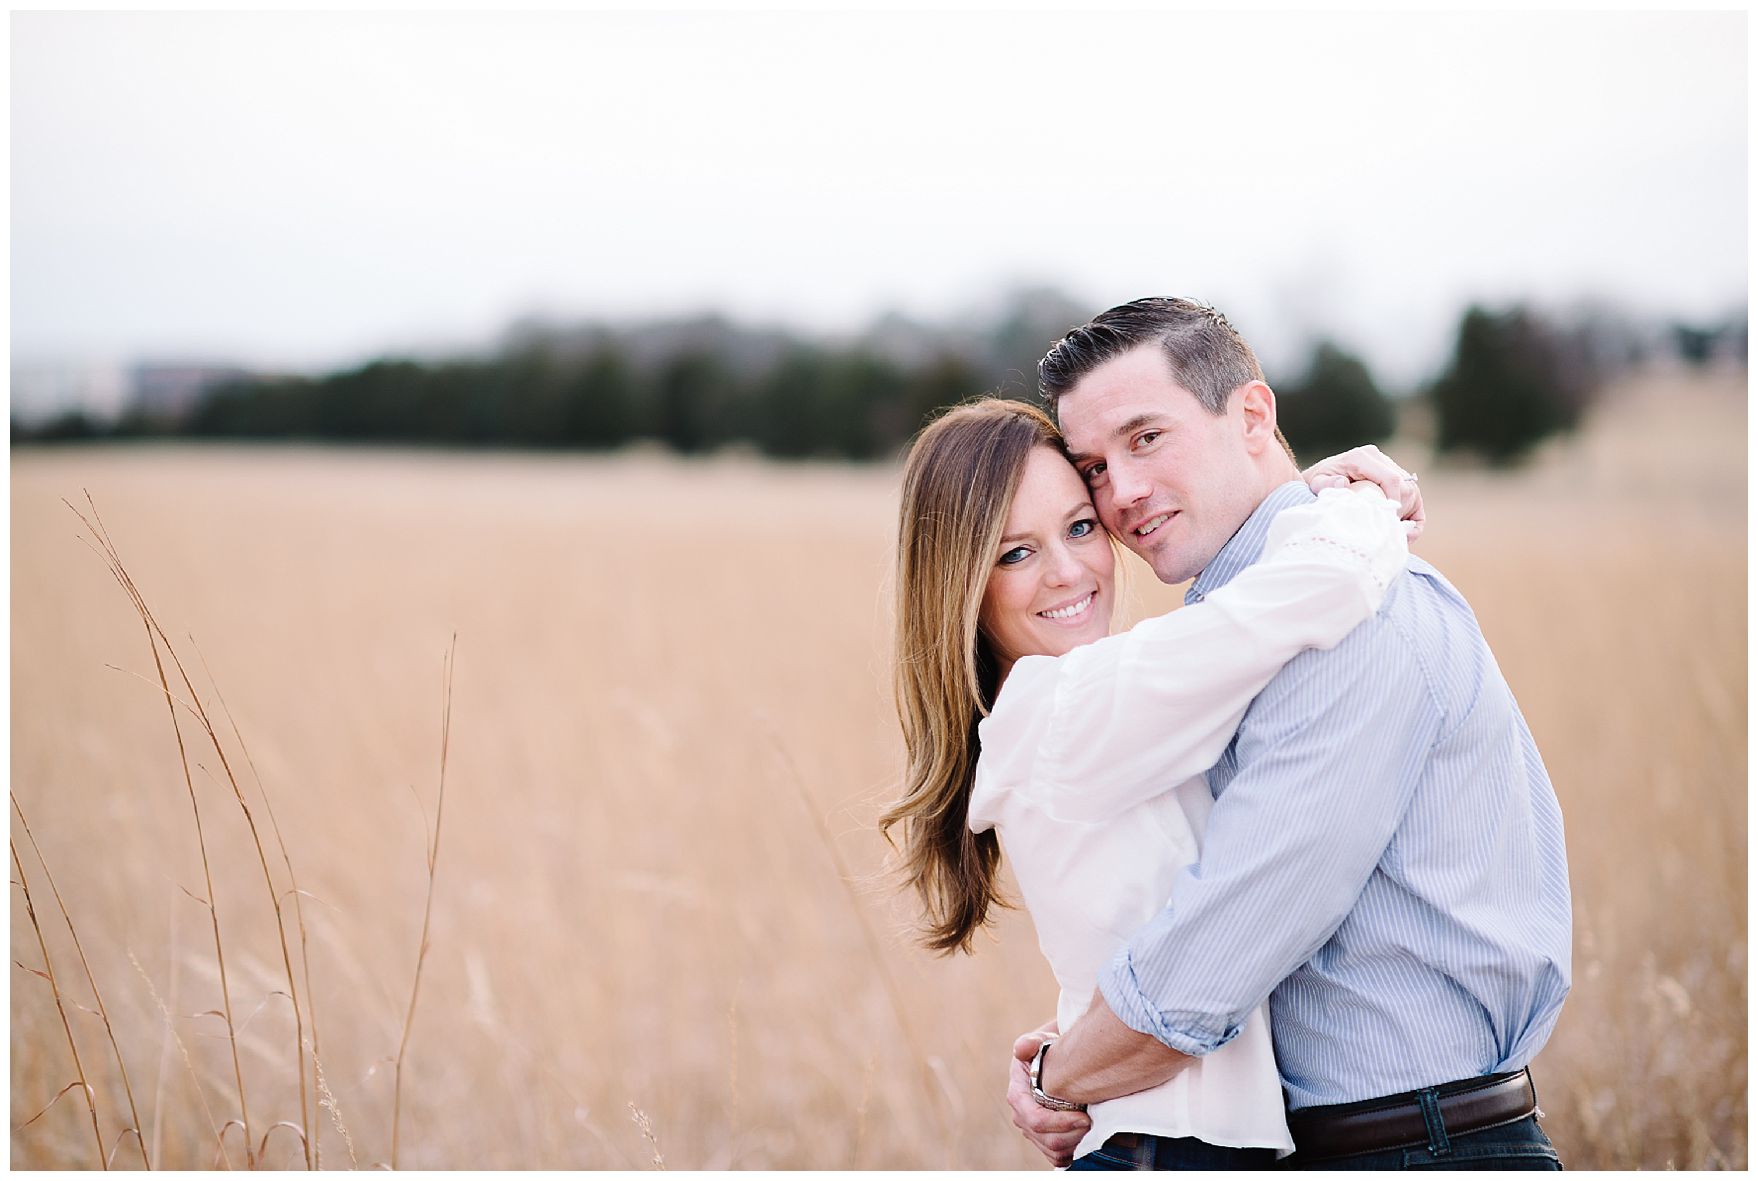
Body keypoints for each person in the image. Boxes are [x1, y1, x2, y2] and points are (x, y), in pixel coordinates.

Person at [1005, 298, 1572, 1171]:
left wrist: (1059, 1075)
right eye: (1094, 467)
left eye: (1146, 438)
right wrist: (1079, 1042)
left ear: (1253, 416)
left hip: (1416, 1146)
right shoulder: (1254, 620)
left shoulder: (1353, 619)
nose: (1120, 493)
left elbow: (1210, 961)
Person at [883, 397, 1421, 1168]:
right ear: (961, 584)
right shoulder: (1063, 711)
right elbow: (1313, 591)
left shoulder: (1092, 702)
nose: (1070, 571)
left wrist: (1057, 1063)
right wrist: (1367, 500)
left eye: (1078, 527)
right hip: (1163, 1149)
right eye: (1016, 553)